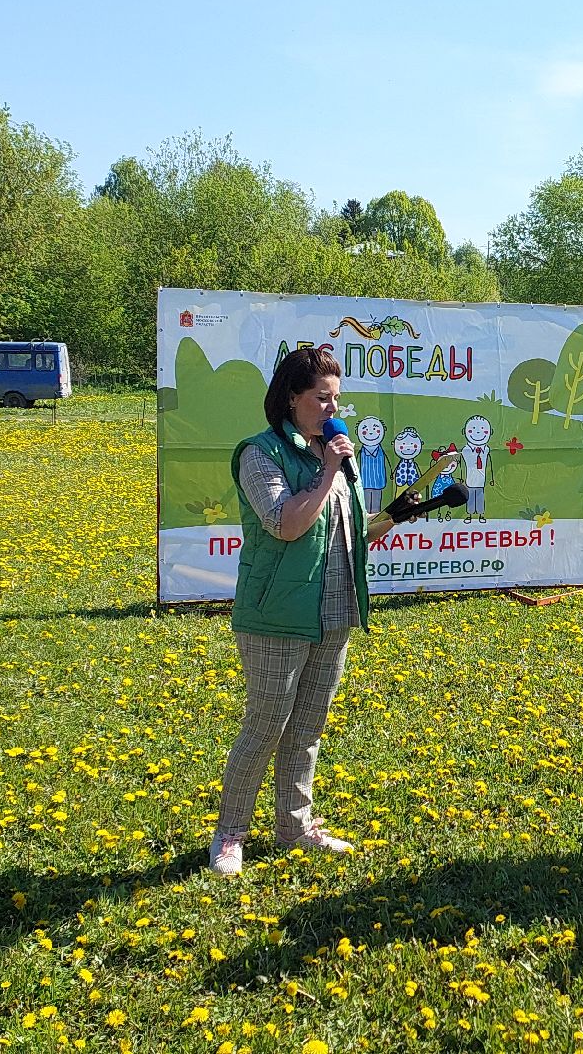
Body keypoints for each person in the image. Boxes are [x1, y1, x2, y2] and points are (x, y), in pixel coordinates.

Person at [210, 347, 406, 876]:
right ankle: (231, 833)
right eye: (322, 397)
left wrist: (395, 517)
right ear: (291, 398)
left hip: (333, 610)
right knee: (267, 723)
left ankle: (295, 825)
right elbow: (287, 524)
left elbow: (343, 535)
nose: (331, 407)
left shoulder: (335, 459)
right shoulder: (261, 453)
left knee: (308, 726)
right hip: (276, 613)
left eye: (337, 398)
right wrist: (327, 471)